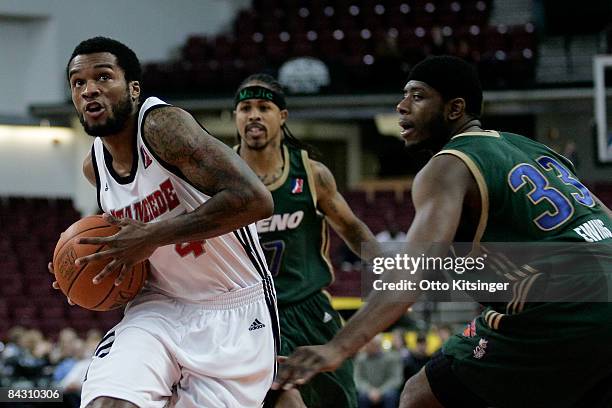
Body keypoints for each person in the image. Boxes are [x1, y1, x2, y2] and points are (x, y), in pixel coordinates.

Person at [273, 55, 612, 407]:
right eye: (404, 95)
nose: (401, 106)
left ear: (455, 109)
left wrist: (337, 347)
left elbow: (412, 275)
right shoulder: (532, 148)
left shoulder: (449, 165)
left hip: (566, 302)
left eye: (417, 96)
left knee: (420, 396)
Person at [49, 36, 279, 408]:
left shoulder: (163, 127)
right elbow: (125, 242)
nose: (90, 90)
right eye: (78, 83)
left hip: (233, 309)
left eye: (104, 77)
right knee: (107, 402)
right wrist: (80, 267)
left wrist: (154, 235)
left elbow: (255, 200)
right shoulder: (95, 167)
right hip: (159, 308)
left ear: (133, 88)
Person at [233, 74, 381, 407]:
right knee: (287, 401)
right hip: (253, 315)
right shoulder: (219, 176)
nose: (253, 115)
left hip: (310, 307)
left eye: (263, 107)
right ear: (235, 118)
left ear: (282, 117)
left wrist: (387, 266)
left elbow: (352, 228)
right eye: (245, 108)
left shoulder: (312, 174)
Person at [354, 335, 403, 408]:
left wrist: (380, 391)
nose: (366, 346)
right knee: (361, 397)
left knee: (391, 396)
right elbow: (358, 378)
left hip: (386, 391)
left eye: (369, 344)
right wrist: (370, 390)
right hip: (367, 392)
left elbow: (395, 379)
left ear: (377, 345)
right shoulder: (360, 359)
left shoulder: (392, 358)